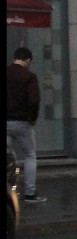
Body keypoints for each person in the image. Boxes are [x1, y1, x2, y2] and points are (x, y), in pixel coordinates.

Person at [7, 46, 45, 203]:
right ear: (28, 60)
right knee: (30, 156)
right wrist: (33, 118)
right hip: (23, 122)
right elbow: (34, 100)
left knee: (8, 156)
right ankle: (30, 194)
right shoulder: (29, 77)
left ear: (14, 58)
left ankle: (10, 190)